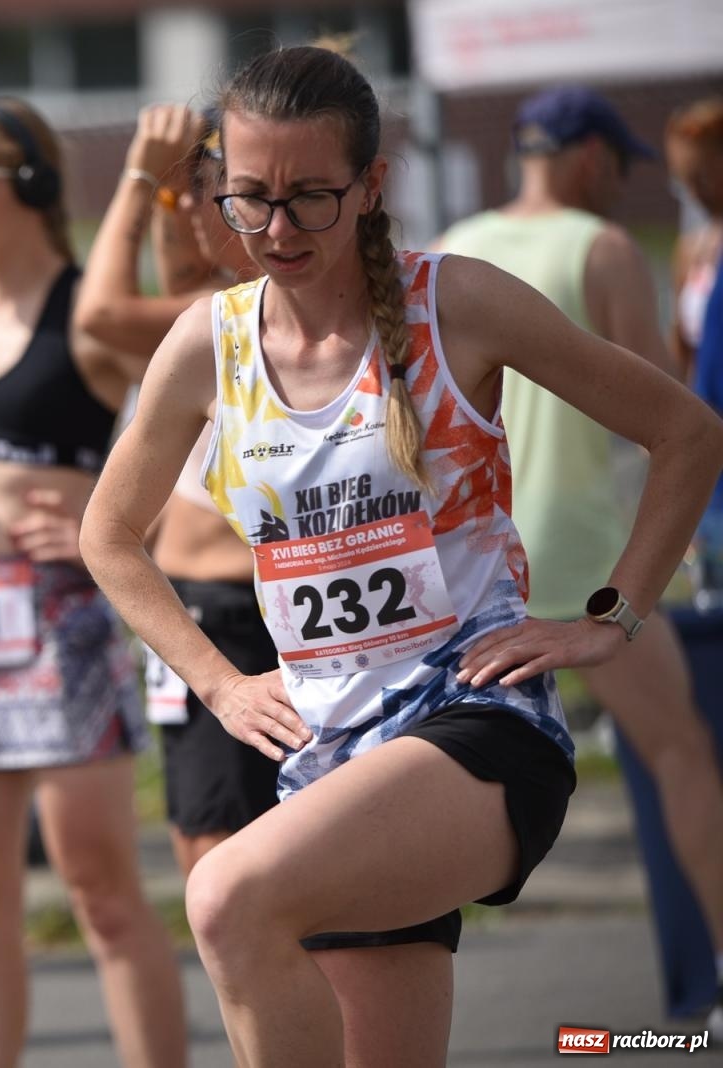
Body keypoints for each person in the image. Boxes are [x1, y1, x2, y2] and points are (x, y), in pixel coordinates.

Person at [80, 46, 723, 1067]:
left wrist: (613, 614)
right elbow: (107, 535)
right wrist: (215, 681)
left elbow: (686, 431)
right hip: (327, 754)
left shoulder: (456, 303)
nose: (277, 231)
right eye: (249, 200)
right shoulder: (211, 342)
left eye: (310, 198)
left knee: (226, 898)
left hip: (476, 728)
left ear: (373, 184)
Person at [0, 96, 185, 1068]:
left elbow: (211, 449)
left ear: (32, 190)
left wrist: (115, 526)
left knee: (101, 893)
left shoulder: (89, 316)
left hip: (59, 624)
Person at [440, 85, 723, 1028]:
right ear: (592, 157)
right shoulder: (601, 247)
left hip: (476, 559)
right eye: (620, 166)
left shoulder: (456, 242)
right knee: (683, 755)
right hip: (584, 553)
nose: (621, 186)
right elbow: (666, 417)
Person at [75, 103, 278, 878]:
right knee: (211, 854)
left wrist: (136, 177)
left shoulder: (231, 316)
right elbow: (181, 268)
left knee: (235, 866)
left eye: (210, 191)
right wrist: (160, 189)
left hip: (249, 607)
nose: (192, 211)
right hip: (204, 612)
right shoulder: (212, 314)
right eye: (183, 194)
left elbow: (98, 314)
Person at [667, 96, 723, 387]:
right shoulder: (690, 249)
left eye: (701, 177)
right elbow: (680, 348)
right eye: (684, 180)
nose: (694, 191)